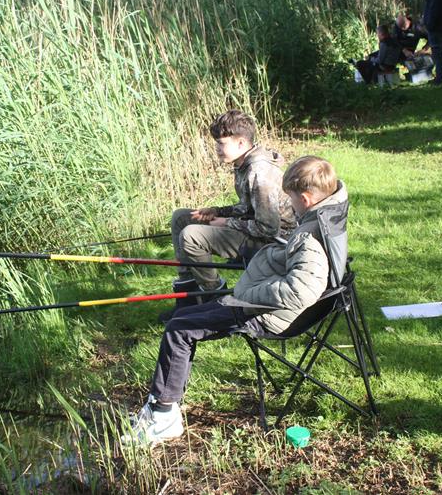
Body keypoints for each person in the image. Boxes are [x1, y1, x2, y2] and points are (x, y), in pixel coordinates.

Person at [122, 156, 348, 446]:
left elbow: (301, 290)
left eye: (291, 199)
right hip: (262, 302)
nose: (289, 206)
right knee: (180, 321)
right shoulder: (328, 214)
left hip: (264, 312)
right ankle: (163, 404)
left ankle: (164, 417)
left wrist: (246, 295)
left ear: (305, 199)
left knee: (179, 330)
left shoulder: (309, 237)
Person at [162, 110, 296, 321]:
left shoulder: (259, 172)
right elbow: (247, 207)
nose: (216, 148)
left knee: (191, 235)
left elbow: (268, 228)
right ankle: (188, 296)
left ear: (241, 143)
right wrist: (217, 211)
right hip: (259, 231)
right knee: (181, 218)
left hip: (276, 243)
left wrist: (227, 222)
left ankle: (215, 297)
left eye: (221, 143)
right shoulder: (243, 163)